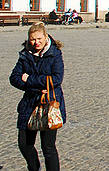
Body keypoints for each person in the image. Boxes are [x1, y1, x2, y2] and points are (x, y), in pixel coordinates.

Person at [9, 22, 66, 171]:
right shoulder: (25, 54)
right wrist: (35, 87)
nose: (36, 42)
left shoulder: (54, 53)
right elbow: (14, 78)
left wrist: (29, 79)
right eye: (33, 39)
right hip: (29, 103)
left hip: (49, 103)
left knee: (48, 147)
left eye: (39, 39)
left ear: (45, 37)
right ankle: (34, 168)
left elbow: (56, 79)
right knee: (24, 144)